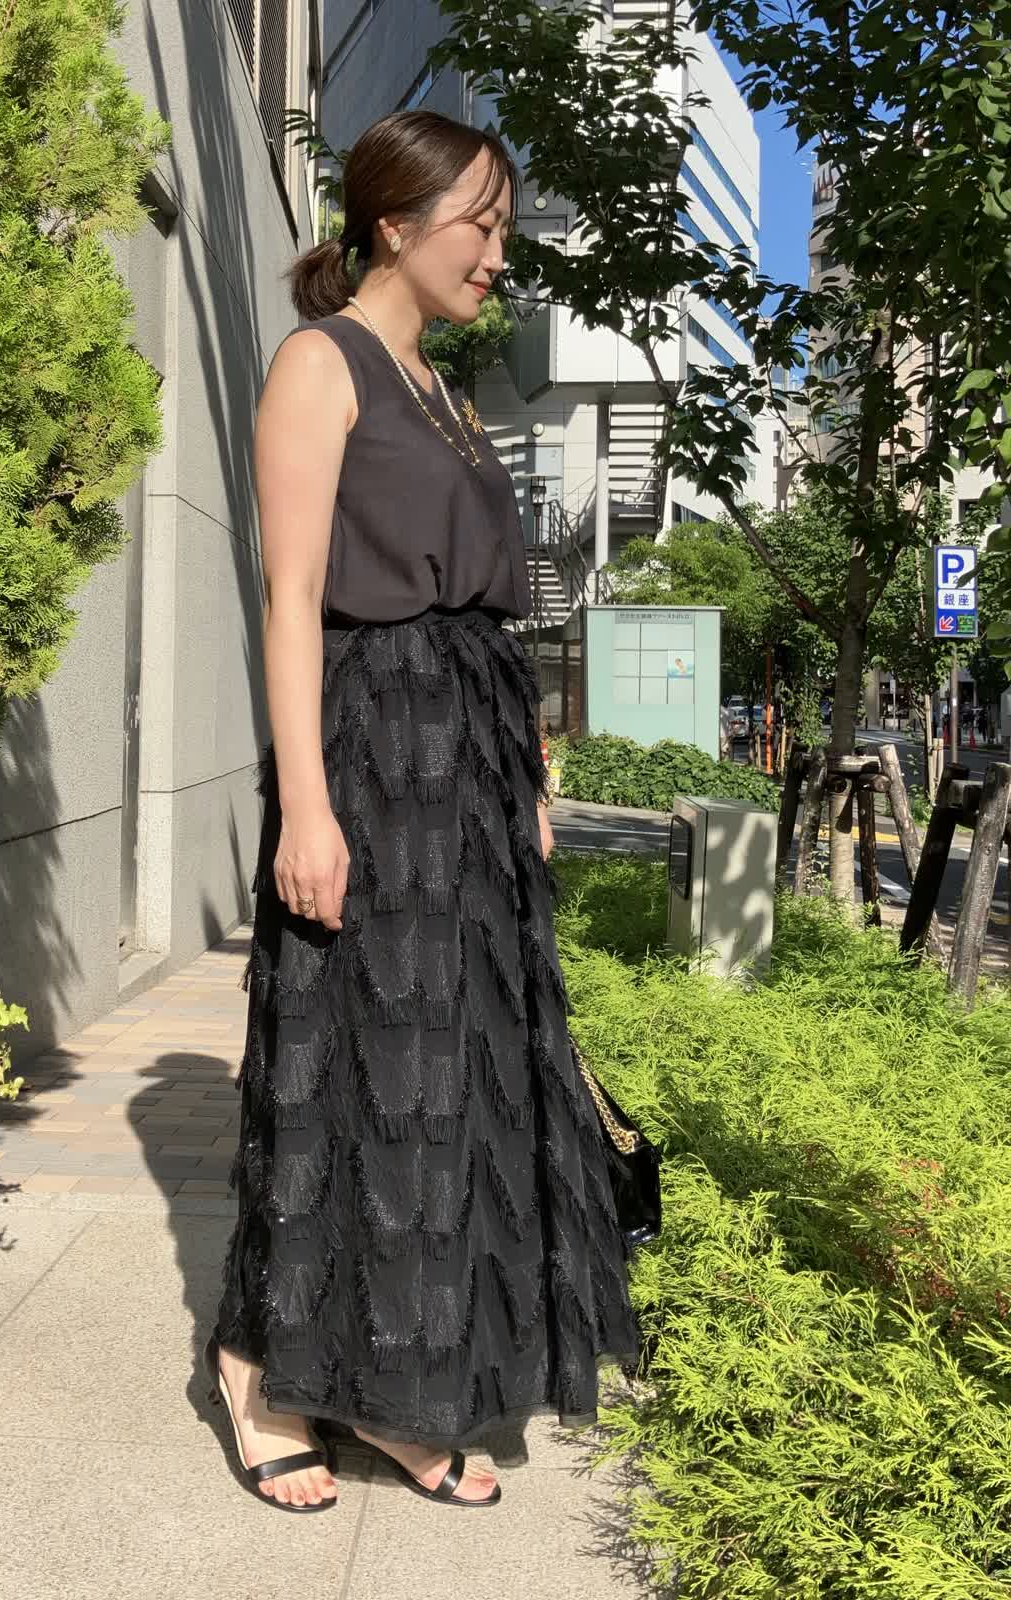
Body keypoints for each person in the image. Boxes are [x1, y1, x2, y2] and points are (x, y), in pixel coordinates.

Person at [207, 110, 640, 1514]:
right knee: (345, 1061)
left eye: (505, 229)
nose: (500, 255)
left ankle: (396, 1379)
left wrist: (529, 783)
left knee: (447, 1074)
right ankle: (265, 1371)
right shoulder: (319, 365)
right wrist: (307, 810)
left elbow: (488, 622)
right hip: (370, 750)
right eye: (483, 224)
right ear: (395, 223)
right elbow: (291, 603)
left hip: (468, 763)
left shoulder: (442, 389)